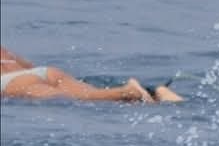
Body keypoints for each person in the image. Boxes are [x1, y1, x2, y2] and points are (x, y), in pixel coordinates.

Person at [1, 48, 181, 103]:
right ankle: (156, 93)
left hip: (12, 83)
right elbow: (29, 66)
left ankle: (130, 91)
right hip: (45, 72)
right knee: (91, 94)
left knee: (72, 100)